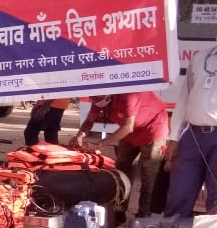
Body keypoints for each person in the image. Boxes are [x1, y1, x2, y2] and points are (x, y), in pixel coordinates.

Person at [69, 91, 168, 221]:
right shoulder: (98, 98)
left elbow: (128, 127)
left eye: (97, 98)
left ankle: (144, 217)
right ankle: (119, 214)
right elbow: (89, 120)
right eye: (93, 98)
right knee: (121, 170)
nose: (95, 100)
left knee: (148, 176)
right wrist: (80, 134)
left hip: (152, 130)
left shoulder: (128, 95)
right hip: (129, 134)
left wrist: (99, 144)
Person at [164, 39, 217, 218]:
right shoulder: (200, 58)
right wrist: (174, 137)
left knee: (216, 200)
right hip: (192, 136)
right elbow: (184, 98)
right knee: (179, 192)